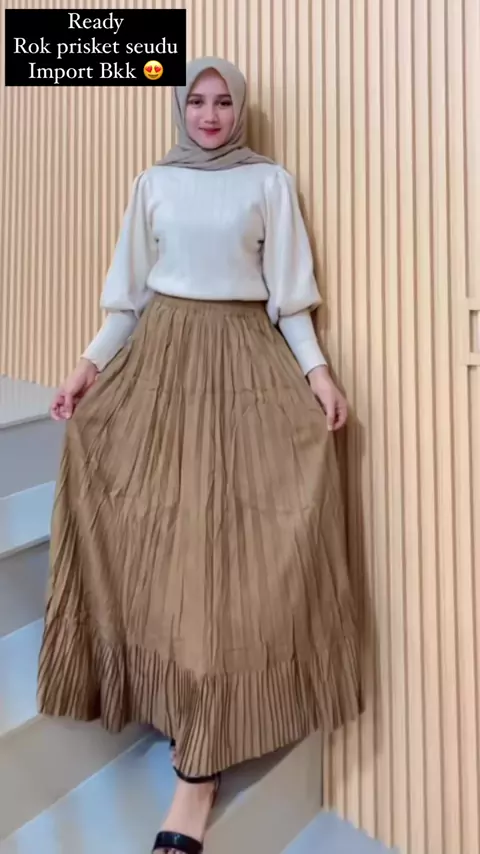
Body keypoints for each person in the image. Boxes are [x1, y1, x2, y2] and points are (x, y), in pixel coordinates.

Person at [38, 56, 361, 854]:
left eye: (223, 102)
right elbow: (128, 297)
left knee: (224, 558)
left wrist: (319, 376)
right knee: (169, 547)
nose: (210, 115)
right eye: (196, 102)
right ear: (180, 109)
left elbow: (290, 299)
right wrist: (86, 370)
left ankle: (200, 769)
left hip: (245, 368)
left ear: (239, 109)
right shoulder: (154, 183)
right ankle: (168, 702)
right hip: (160, 364)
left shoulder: (269, 182)